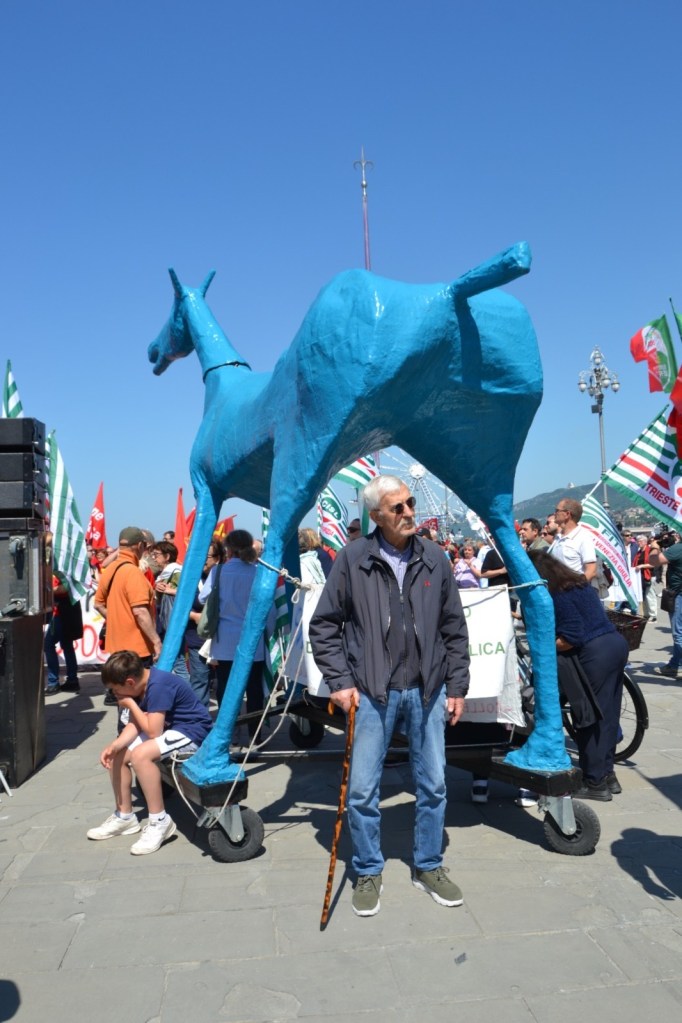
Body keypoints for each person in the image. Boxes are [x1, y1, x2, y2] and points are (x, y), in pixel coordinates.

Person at [309, 474, 470, 917]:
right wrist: (340, 681)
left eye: (411, 503)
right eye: (397, 508)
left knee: (434, 785)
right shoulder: (353, 558)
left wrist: (457, 685)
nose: (409, 513)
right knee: (362, 790)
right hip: (371, 692)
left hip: (427, 689)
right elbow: (324, 626)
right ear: (376, 515)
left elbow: (454, 628)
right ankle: (367, 868)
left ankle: (429, 864)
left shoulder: (434, 558)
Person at [86, 650, 212, 854]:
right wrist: (115, 746)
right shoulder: (139, 686)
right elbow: (136, 724)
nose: (115, 695)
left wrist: (130, 704)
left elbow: (153, 731)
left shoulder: (158, 686)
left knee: (140, 756)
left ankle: (160, 821)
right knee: (118, 755)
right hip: (169, 729)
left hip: (191, 731)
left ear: (129, 682)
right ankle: (124, 817)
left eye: (115, 690)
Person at [528, 551, 628, 800]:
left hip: (595, 653)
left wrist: (543, 645)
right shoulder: (577, 584)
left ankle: (594, 782)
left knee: (590, 718)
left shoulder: (557, 594)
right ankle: (607, 774)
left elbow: (572, 636)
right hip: (614, 643)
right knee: (608, 716)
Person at [202, 529, 274, 736]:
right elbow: (269, 609)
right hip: (252, 641)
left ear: (228, 548)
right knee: (254, 691)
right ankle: (255, 735)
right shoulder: (258, 573)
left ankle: (228, 735)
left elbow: (203, 598)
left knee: (226, 691)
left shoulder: (218, 572)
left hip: (224, 641)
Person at [94, 527, 162, 706]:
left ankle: (125, 724)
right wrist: (156, 642)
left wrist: (117, 620)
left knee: (124, 699)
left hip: (117, 648)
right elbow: (140, 611)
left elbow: (98, 604)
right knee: (139, 702)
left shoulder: (110, 569)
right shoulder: (133, 573)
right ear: (139, 546)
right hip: (137, 651)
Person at [44, 576, 83, 695]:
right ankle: (72, 680)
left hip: (62, 611)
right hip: (63, 611)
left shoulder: (63, 570)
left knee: (49, 644)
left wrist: (48, 590)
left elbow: (67, 587)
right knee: (66, 645)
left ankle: (54, 682)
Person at [650, 537, 682, 677]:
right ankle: (676, 664)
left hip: (678, 594)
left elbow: (653, 561)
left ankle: (677, 665)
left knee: (678, 633)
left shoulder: (678, 549)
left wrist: (655, 546)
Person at [549, 499, 597, 581]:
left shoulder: (583, 537)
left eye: (557, 511)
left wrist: (577, 586)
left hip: (573, 587)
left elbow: (591, 571)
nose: (554, 514)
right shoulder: (558, 537)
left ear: (567, 514)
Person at [632, 534, 657, 622]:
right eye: (637, 541)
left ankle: (653, 615)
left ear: (645, 542)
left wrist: (642, 565)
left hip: (649, 575)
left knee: (650, 595)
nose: (638, 543)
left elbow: (653, 564)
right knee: (643, 596)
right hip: (641, 577)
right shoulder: (639, 552)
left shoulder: (650, 550)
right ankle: (646, 614)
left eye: (640, 541)